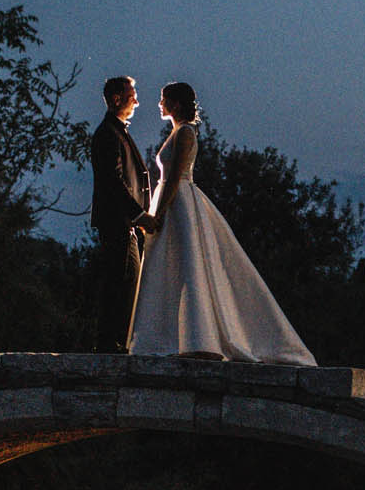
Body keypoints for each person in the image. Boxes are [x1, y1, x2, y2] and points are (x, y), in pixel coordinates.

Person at [129, 83, 316, 366]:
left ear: (176, 104)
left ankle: (198, 338)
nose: (159, 104)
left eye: (164, 99)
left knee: (190, 266)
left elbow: (175, 176)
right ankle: (172, 335)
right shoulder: (178, 132)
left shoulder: (186, 133)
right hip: (172, 199)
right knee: (172, 267)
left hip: (179, 201)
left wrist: (159, 212)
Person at [89, 75, 150, 352]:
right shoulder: (107, 134)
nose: (136, 101)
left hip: (123, 223)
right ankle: (111, 344)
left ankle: (114, 341)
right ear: (116, 99)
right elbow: (113, 181)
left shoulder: (115, 132)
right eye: (131, 95)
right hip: (118, 222)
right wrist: (138, 216)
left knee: (125, 281)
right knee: (122, 281)